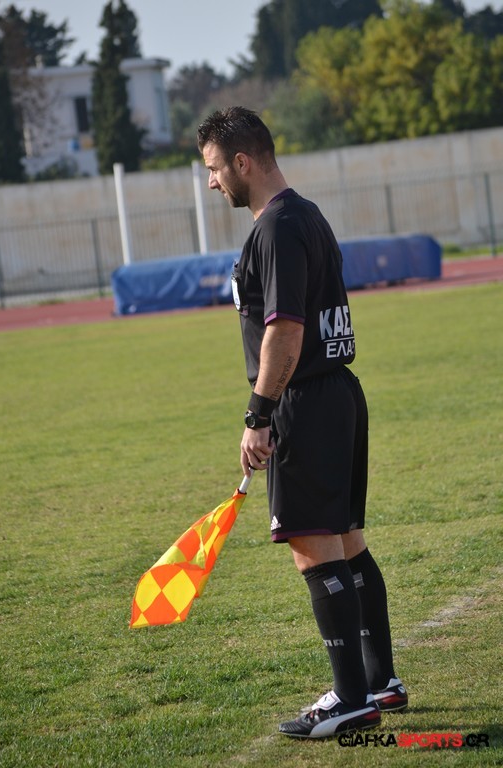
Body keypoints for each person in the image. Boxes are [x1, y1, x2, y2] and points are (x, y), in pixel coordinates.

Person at [197, 106, 407, 740]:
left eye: (214, 168)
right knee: (346, 541)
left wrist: (259, 414)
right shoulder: (307, 214)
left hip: (305, 400)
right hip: (336, 393)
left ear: (243, 161)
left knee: (314, 548)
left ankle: (350, 699)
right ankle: (379, 681)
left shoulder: (276, 227)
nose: (212, 182)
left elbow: (284, 332)